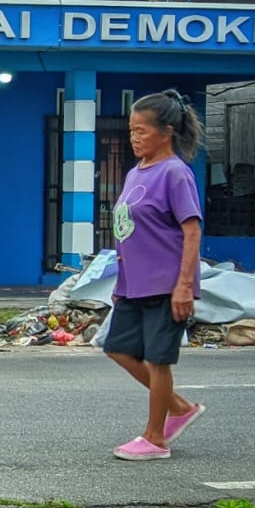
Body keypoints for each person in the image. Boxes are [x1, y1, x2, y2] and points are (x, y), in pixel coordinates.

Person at [106, 89, 206, 461]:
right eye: (131, 131)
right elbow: (127, 229)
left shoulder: (175, 173)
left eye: (141, 131)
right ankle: (178, 407)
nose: (134, 138)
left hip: (166, 283)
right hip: (134, 283)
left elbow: (191, 230)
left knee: (158, 357)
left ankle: (155, 438)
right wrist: (121, 280)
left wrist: (184, 285)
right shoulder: (135, 173)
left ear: (166, 132)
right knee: (118, 348)